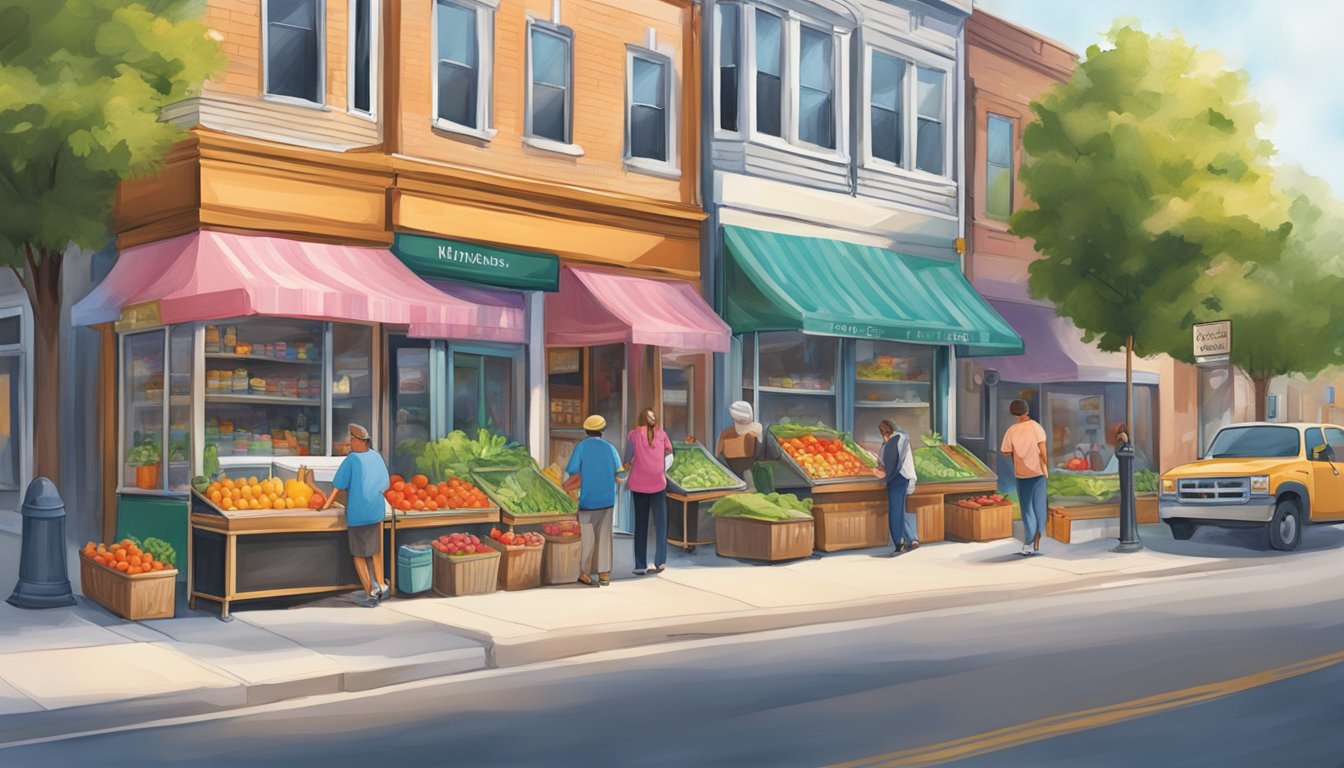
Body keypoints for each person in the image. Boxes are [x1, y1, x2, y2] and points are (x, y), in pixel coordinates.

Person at [323, 424, 391, 605]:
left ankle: (370, 592)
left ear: (357, 440)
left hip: (358, 513)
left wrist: (326, 505)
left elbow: (338, 485)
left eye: (350, 439)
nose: (349, 442)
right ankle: (382, 586)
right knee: (374, 551)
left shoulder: (352, 460)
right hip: (376, 511)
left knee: (359, 555)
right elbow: (386, 483)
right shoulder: (376, 457)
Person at [563, 415, 622, 587]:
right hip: (607, 501)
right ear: (602, 430)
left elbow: (571, 471)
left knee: (587, 539)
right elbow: (620, 474)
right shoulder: (610, 448)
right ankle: (604, 574)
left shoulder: (581, 447)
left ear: (586, 431)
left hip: (587, 502)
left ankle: (584, 572)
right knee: (604, 537)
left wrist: (562, 483)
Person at [625, 407, 674, 576]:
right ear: (655, 421)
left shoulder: (633, 435)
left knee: (641, 524)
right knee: (661, 524)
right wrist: (661, 470)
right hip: (658, 484)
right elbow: (670, 456)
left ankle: (640, 565)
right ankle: (660, 562)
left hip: (638, 484)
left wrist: (624, 468)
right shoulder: (662, 435)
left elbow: (627, 459)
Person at [1001, 400, 1049, 556]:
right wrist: (1045, 466)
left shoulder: (1012, 431)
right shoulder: (1037, 427)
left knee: (1027, 509)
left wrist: (1016, 453)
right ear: (1026, 411)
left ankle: (1028, 543)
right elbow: (1043, 449)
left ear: (1014, 414)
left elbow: (1005, 451)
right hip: (1038, 473)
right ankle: (1038, 537)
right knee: (1039, 507)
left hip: (1022, 475)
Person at [874, 419, 918, 555]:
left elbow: (890, 463)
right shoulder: (902, 438)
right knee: (899, 510)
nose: (882, 432)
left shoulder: (893, 441)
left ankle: (899, 543)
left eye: (883, 430)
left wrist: (881, 473)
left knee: (895, 510)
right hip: (904, 478)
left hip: (897, 478)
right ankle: (911, 539)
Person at [716, 400, 763, 482]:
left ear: (733, 417)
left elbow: (718, 455)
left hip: (731, 476)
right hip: (749, 476)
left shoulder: (725, 434)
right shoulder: (756, 431)